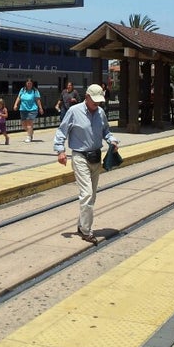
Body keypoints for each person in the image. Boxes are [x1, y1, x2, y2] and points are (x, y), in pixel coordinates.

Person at [53, 83, 120, 245]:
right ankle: (86, 231)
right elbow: (61, 131)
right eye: (94, 101)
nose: (97, 104)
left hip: (96, 157)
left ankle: (81, 224)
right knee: (87, 194)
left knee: (91, 196)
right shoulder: (74, 112)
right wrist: (60, 151)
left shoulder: (101, 112)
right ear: (87, 97)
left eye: (99, 101)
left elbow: (106, 131)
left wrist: (112, 140)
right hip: (80, 157)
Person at [13, 78, 44, 143]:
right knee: (24, 124)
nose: (29, 84)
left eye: (30, 83)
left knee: (29, 123)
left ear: (32, 84)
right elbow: (19, 97)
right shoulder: (22, 90)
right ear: (26, 84)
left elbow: (38, 100)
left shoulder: (35, 91)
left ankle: (29, 137)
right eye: (28, 83)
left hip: (32, 109)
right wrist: (15, 104)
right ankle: (30, 132)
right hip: (23, 109)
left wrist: (40, 108)